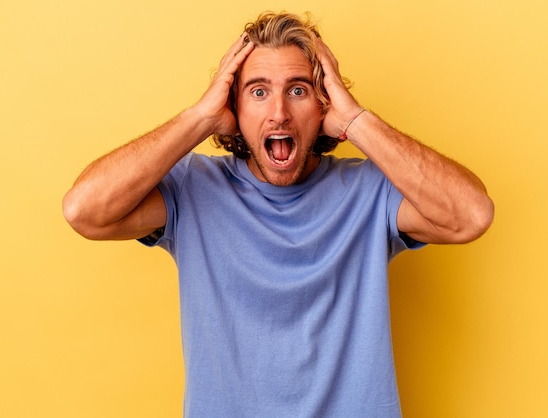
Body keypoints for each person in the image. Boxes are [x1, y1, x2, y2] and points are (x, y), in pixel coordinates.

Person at [63, 11, 494, 418]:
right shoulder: (193, 189)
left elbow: (471, 215)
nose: (279, 112)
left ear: (323, 105)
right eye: (258, 91)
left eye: (299, 90)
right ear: (235, 107)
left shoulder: (370, 190)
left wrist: (356, 119)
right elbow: (85, 211)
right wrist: (200, 118)